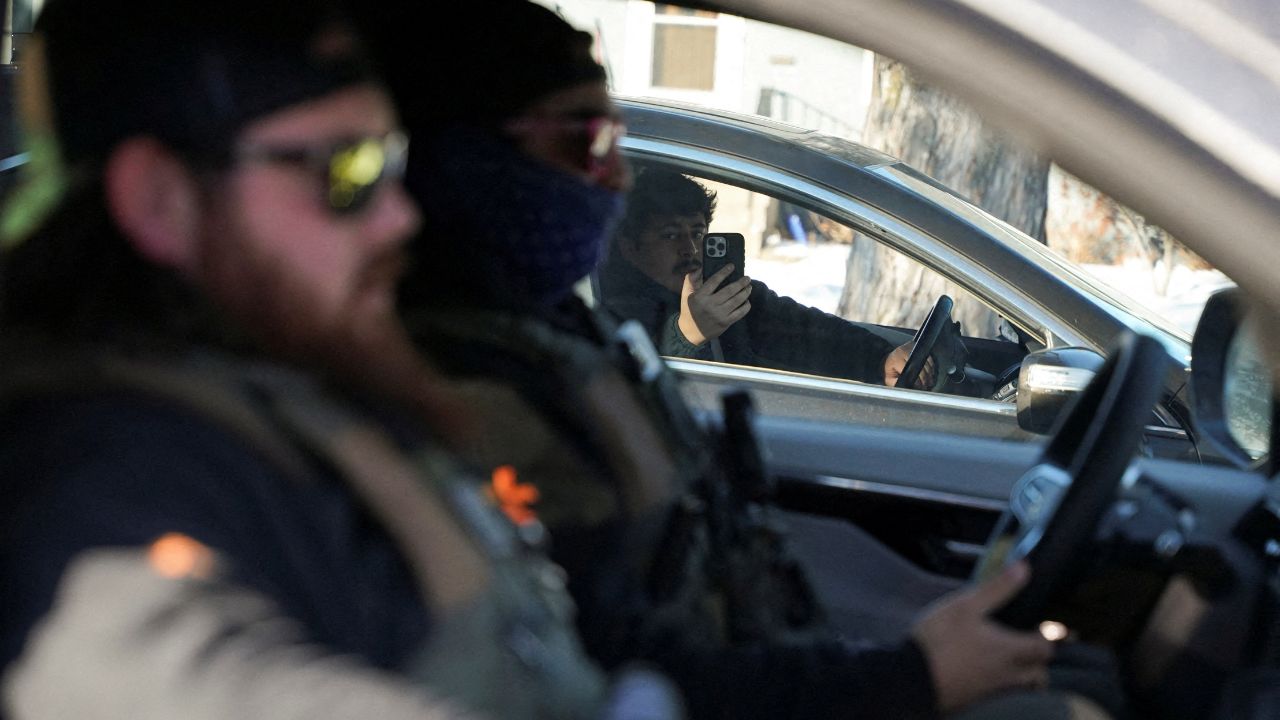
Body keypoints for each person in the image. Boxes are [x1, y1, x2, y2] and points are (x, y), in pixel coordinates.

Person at [357, 2, 1109, 719]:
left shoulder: (553, 328)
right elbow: (622, 671)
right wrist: (909, 678)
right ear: (460, 158)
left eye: (616, 141)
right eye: (587, 143)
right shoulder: (458, 391)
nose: (613, 178)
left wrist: (885, 357)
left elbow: (802, 330)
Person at [0, 1, 657, 718]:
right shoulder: (105, 457)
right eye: (348, 170)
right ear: (160, 200)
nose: (401, 215)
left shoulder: (302, 394)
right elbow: (185, 675)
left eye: (393, 160)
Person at [599, 168, 929, 387]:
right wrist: (686, 334)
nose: (690, 249)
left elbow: (808, 332)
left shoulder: (730, 296)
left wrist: (881, 359)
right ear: (629, 247)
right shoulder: (607, 311)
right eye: (670, 236)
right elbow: (630, 389)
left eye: (698, 233)